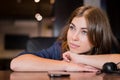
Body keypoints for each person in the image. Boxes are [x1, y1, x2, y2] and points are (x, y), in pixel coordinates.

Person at [10, 5, 120, 72]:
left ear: (98, 36)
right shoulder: (60, 48)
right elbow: (16, 63)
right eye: (72, 28)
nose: (74, 37)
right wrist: (67, 66)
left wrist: (79, 59)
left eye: (84, 32)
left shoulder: (108, 48)